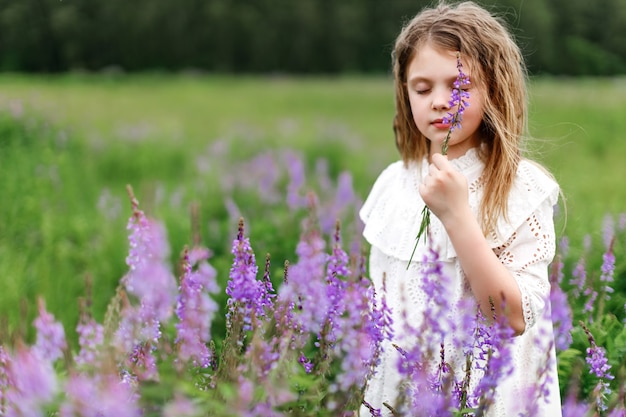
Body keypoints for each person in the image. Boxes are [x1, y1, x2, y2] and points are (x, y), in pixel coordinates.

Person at [358, 1, 562, 416]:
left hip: (482, 396)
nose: (439, 101)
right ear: (405, 92)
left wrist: (456, 216)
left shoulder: (516, 188)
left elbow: (510, 319)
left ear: (494, 88)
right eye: (422, 87)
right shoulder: (393, 183)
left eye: (459, 86)